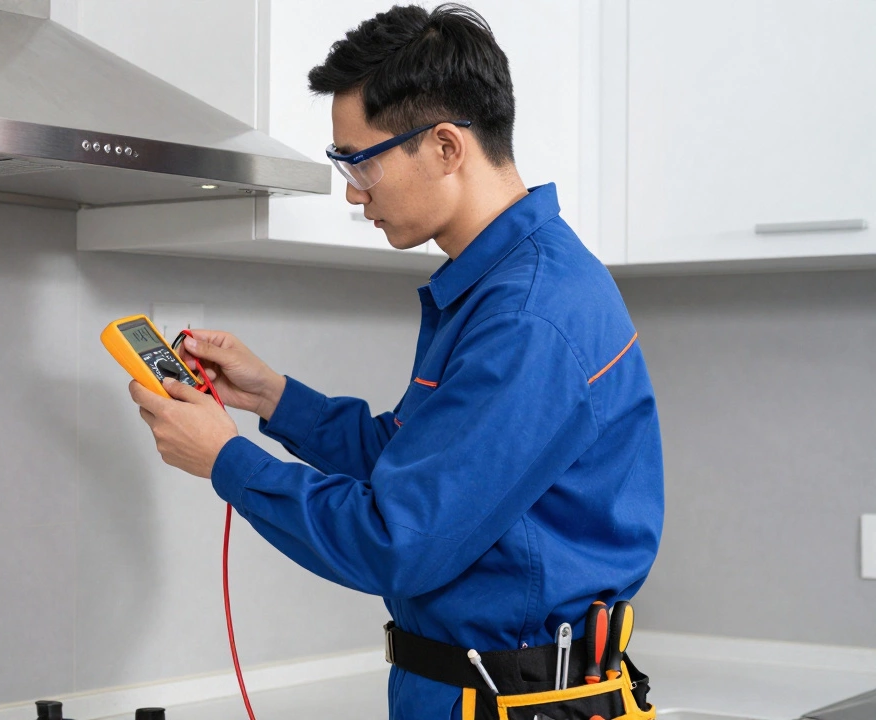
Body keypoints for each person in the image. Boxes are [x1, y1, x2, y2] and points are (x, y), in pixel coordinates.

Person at [128, 4, 664, 717]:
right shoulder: (499, 286)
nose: (353, 191)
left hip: (513, 703)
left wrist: (226, 459)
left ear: (445, 146)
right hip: (473, 690)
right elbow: (414, 462)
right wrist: (274, 397)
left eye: (361, 160)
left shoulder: (527, 318)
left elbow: (397, 538)